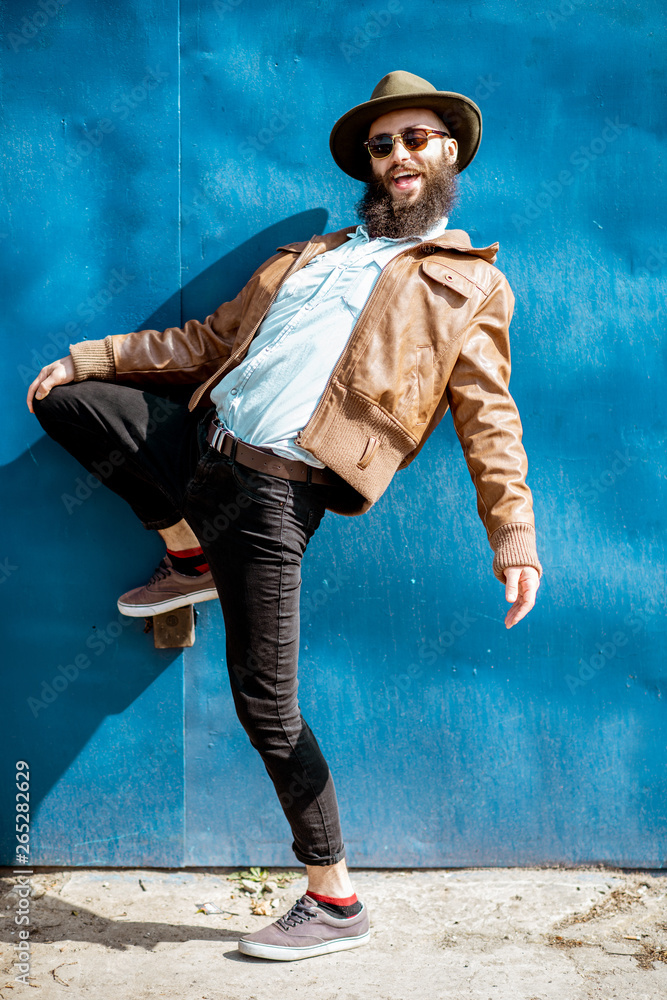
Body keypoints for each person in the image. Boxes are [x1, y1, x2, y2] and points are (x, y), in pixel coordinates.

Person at [27, 70, 542, 961]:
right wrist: (87, 357)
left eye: (415, 139)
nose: (398, 156)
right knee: (73, 405)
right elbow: (202, 344)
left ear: (448, 151)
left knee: (265, 703)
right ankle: (187, 559)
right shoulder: (308, 257)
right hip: (201, 441)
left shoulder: (469, 288)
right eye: (383, 145)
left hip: (275, 493)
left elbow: (490, 420)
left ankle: (333, 898)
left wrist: (514, 536)